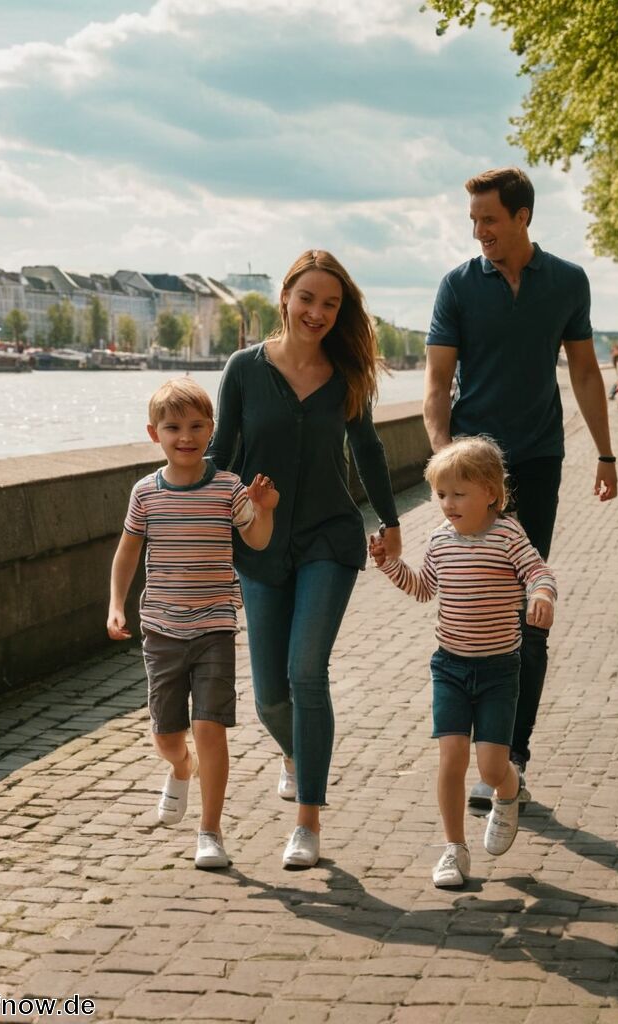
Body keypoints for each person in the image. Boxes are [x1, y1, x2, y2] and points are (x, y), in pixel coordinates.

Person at [423, 166, 617, 816]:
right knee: (473, 611)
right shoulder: (457, 287)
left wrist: (607, 453)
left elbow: (586, 373)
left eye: (490, 220)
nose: (480, 232)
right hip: (474, 470)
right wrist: (444, 464)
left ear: (523, 217)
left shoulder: (566, 282)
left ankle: (511, 757)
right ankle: (483, 746)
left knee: (529, 611)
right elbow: (436, 385)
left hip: (536, 463)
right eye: (474, 221)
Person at [209, 249, 401, 869]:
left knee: (306, 673)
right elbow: (219, 454)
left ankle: (308, 821)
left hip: (328, 538)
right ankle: (299, 754)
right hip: (259, 545)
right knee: (268, 698)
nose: (317, 313)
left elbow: (367, 449)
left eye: (331, 304)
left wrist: (391, 521)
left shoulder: (345, 377)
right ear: (286, 296)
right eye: (308, 299)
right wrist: (183, 507)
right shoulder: (243, 369)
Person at [369, 437, 556, 888]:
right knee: (451, 759)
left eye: (459, 493)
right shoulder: (439, 540)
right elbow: (423, 587)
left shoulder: (508, 535)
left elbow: (538, 572)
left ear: (492, 493)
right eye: (441, 494)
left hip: (498, 671)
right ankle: (455, 849)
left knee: (492, 767)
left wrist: (542, 595)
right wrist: (390, 565)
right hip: (449, 666)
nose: (448, 504)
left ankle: (507, 794)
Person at [107, 377, 279, 869]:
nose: (186, 436)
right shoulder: (146, 494)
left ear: (211, 430)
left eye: (197, 426)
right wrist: (116, 604)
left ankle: (211, 831)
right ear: (153, 434)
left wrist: (263, 510)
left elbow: (258, 540)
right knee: (167, 736)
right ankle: (181, 768)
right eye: (173, 427)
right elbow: (127, 553)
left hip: (214, 627)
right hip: (161, 629)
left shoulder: (228, 489)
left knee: (210, 727)